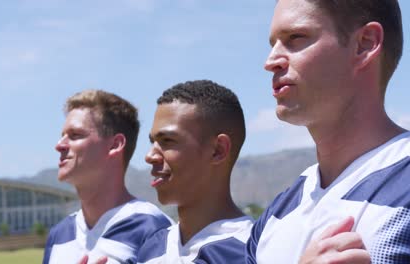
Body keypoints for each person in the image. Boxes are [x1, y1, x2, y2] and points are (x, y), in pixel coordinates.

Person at [246, 0, 410, 263]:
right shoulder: (276, 214)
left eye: (295, 37)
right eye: (272, 43)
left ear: (364, 43)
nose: (270, 61)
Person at [43, 90, 172, 264]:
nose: (59, 145)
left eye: (75, 135)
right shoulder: (59, 234)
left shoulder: (154, 228)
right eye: (62, 136)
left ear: (115, 145)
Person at [136, 80, 254, 263]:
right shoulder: (152, 247)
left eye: (167, 140)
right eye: (153, 142)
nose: (150, 156)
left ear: (218, 150)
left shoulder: (252, 250)